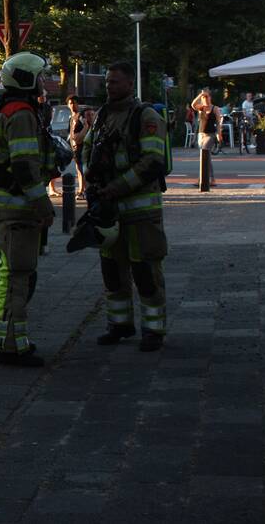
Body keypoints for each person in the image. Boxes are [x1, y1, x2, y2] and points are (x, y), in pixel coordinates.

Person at [84, 62, 168, 352]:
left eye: (115, 82)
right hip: (109, 210)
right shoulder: (102, 116)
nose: (109, 86)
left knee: (145, 271)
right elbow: (88, 149)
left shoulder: (146, 117)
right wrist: (90, 182)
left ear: (131, 84)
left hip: (140, 211)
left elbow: (152, 162)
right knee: (112, 270)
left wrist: (116, 187)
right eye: (107, 82)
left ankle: (153, 330)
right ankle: (119, 324)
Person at [0, 52, 55, 367]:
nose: (44, 81)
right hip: (17, 210)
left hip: (8, 207)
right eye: (39, 76)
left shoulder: (16, 109)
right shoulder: (21, 112)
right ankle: (13, 347)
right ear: (26, 78)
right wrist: (43, 204)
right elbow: (24, 166)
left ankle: (8, 340)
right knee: (17, 278)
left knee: (11, 275)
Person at [193, 89, 220, 185]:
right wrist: (200, 95)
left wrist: (219, 134)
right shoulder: (201, 108)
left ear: (210, 98)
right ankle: (211, 179)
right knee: (206, 157)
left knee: (204, 153)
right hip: (201, 134)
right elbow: (193, 105)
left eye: (206, 96)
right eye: (204, 97)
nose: (205, 99)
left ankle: (201, 179)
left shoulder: (215, 108)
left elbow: (218, 123)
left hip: (210, 135)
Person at [66, 95, 90, 199]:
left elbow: (87, 129)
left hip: (82, 147)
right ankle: (81, 189)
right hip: (74, 148)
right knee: (78, 169)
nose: (73, 105)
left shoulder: (80, 116)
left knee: (82, 169)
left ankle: (83, 190)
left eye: (75, 103)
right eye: (70, 103)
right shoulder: (71, 117)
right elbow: (70, 133)